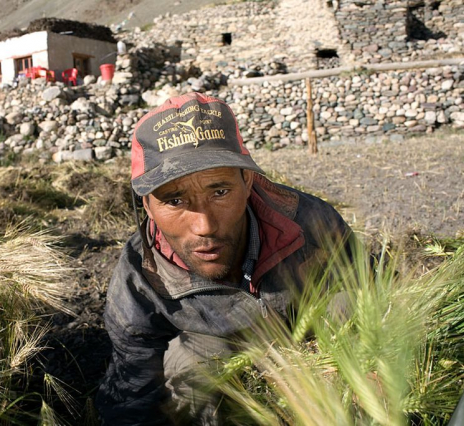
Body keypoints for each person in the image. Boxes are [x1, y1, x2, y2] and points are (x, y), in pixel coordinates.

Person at [96, 92, 353, 425]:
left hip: (309, 348)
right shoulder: (140, 278)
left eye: (219, 192)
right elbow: (133, 395)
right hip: (219, 358)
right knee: (190, 365)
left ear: (248, 181)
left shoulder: (309, 223)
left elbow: (371, 298)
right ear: (147, 206)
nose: (204, 225)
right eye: (174, 200)